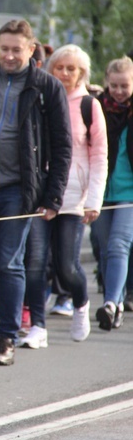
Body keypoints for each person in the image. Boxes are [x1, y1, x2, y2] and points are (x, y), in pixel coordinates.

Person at [0, 19, 72, 366]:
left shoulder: (46, 86)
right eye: (3, 48)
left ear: (31, 50)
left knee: (9, 262)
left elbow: (62, 145)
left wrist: (53, 197)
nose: (8, 55)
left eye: (15, 49)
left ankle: (6, 337)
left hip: (20, 189)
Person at [21, 44, 107, 347]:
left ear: (82, 73)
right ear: (50, 69)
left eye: (72, 69)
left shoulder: (89, 105)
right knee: (35, 262)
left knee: (66, 266)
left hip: (73, 198)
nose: (66, 73)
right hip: (40, 194)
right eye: (60, 67)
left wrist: (94, 200)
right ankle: (38, 328)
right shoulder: (41, 99)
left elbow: (99, 157)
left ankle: (80, 304)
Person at [95, 56, 133, 330]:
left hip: (128, 192)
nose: (119, 92)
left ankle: (110, 302)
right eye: (115, 85)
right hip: (101, 189)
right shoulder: (97, 107)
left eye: (125, 86)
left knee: (119, 244)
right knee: (105, 248)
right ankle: (116, 302)